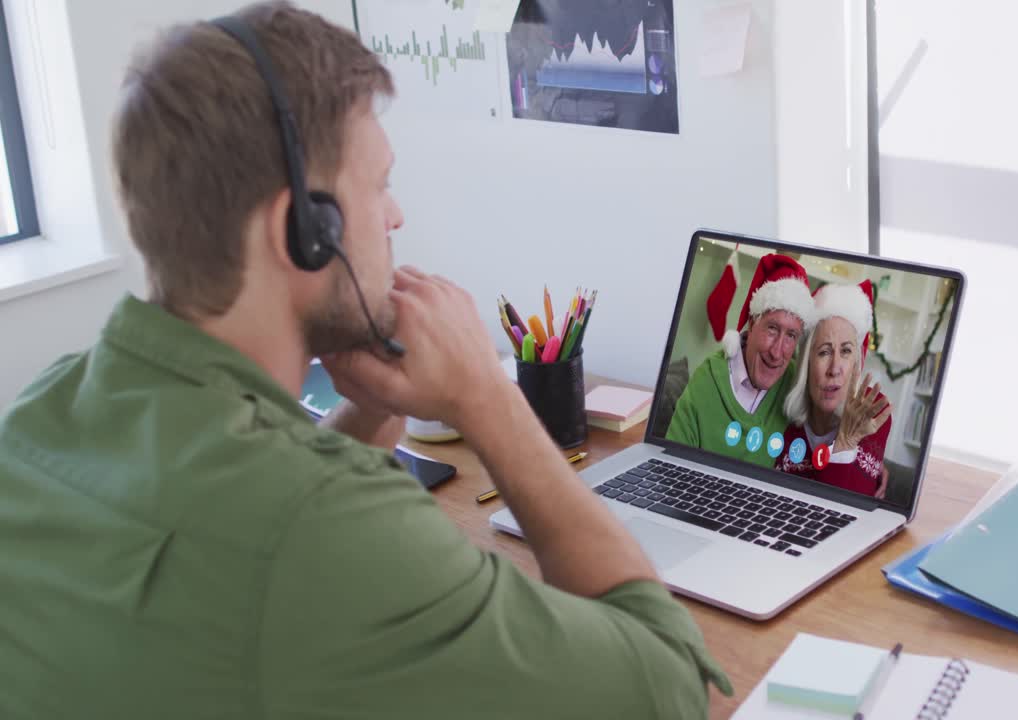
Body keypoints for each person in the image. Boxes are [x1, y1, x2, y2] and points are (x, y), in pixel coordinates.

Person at [0, 3, 729, 718]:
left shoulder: (42, 416)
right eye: (379, 184)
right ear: (305, 231)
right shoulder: (325, 533)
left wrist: (377, 404)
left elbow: (248, 513)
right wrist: (487, 399)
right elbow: (668, 685)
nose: (396, 215)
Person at [666, 254, 815, 467]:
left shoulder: (796, 385)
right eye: (772, 328)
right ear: (752, 323)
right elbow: (671, 468)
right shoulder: (706, 380)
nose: (777, 352)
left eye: (791, 335)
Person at [777, 280, 893, 497]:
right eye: (824, 352)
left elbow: (844, 512)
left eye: (846, 351)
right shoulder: (782, 404)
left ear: (856, 364)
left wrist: (845, 442)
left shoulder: (873, 411)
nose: (835, 368)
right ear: (806, 363)